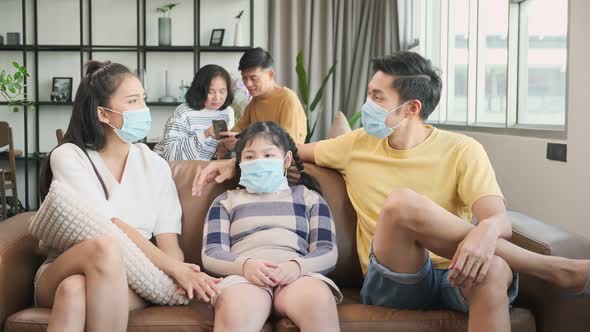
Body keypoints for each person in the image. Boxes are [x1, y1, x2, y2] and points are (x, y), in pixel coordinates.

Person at [192, 51, 590, 332]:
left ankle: (557, 270)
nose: (366, 104)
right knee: (402, 203)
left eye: (377, 97)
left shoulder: (463, 150)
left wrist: (484, 234)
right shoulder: (357, 143)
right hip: (394, 279)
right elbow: (285, 151)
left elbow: (496, 218)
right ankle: (554, 269)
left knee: (496, 269)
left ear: (411, 108)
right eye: (370, 93)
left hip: (454, 271)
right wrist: (234, 162)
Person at [36, 61, 220, 332]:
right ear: (103, 113)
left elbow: (169, 243)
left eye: (143, 99)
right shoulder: (69, 156)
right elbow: (105, 224)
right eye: (133, 101)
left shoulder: (155, 165)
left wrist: (177, 271)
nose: (143, 110)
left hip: (130, 277)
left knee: (75, 292)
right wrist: (173, 268)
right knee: (106, 247)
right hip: (62, 266)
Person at [202, 121, 341, 332]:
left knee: (318, 299)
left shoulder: (309, 198)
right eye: (249, 157)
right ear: (239, 162)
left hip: (298, 278)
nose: (259, 162)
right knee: (235, 308)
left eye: (268, 155)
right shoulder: (225, 201)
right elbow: (211, 253)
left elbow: (327, 250)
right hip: (245, 279)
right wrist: (245, 266)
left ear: (286, 160)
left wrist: (296, 267)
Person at [216, 47, 307, 152]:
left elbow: (287, 143)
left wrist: (245, 140)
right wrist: (228, 140)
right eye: (244, 78)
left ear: (270, 74)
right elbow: (238, 130)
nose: (248, 84)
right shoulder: (255, 100)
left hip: (284, 163)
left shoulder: (287, 99)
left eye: (254, 78)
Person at [154, 64, 235, 161]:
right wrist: (205, 134)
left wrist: (228, 145)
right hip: (168, 168)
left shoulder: (226, 112)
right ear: (200, 90)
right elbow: (171, 155)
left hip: (201, 169)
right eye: (210, 92)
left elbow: (218, 150)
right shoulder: (184, 112)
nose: (217, 98)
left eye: (222, 91)